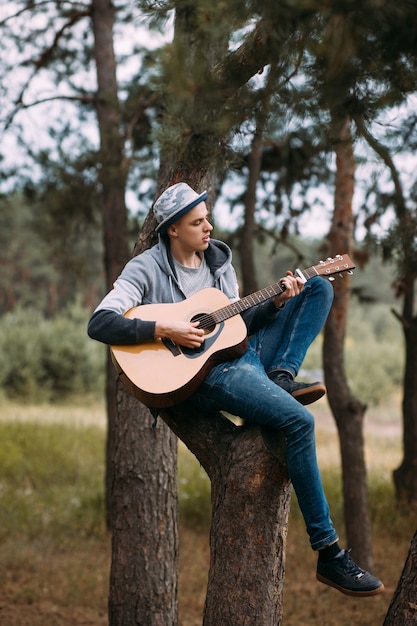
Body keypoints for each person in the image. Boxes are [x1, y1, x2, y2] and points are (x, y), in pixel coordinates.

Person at [88, 182, 384, 597]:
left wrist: (278, 301)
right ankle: (329, 554)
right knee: (300, 422)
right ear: (173, 229)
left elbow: (235, 325)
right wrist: (164, 327)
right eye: (197, 222)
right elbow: (100, 322)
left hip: (242, 354)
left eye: (207, 217)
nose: (208, 227)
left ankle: (280, 377)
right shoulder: (145, 269)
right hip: (209, 376)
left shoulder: (217, 261)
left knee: (318, 287)